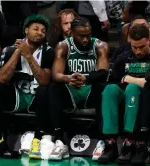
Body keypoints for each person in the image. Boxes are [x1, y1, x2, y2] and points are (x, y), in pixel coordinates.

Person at [0, 14, 54, 158]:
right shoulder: (9, 50)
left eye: (43, 31)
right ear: (26, 30)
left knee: (45, 90)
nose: (39, 33)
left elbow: (44, 81)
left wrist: (29, 56)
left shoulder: (48, 51)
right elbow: (2, 78)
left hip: (37, 97)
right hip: (17, 95)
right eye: (36, 29)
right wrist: (18, 52)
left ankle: (37, 139)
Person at [42, 17, 109, 161]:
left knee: (104, 88)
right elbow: (56, 74)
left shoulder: (99, 45)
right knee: (53, 88)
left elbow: (104, 73)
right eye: (81, 36)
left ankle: (102, 141)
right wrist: (68, 78)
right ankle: (60, 142)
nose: (86, 39)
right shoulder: (63, 46)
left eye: (88, 35)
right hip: (72, 88)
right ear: (72, 33)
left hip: (91, 89)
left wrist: (86, 78)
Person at [97, 24, 150, 165]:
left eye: (141, 47)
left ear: (149, 40)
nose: (137, 51)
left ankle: (130, 142)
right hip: (127, 95)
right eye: (134, 47)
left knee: (131, 88)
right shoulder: (123, 57)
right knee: (109, 90)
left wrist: (130, 79)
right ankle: (110, 143)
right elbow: (115, 80)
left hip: (147, 96)